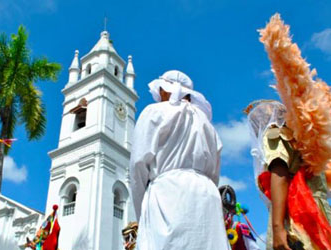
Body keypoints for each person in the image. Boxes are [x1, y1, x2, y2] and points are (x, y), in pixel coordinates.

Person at [129, 70, 229, 249]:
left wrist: (141, 210)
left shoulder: (154, 112)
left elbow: (138, 165)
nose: (159, 95)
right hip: (207, 196)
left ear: (167, 91)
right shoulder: (208, 126)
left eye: (161, 90)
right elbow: (214, 173)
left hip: (168, 194)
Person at [246, 100, 331, 250]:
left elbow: (280, 173)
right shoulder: (306, 143)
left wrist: (278, 228)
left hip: (295, 214)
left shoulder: (276, 134)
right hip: (320, 215)